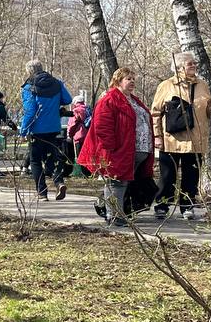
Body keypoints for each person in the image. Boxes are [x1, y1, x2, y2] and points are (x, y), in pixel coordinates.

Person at [77, 68, 155, 227]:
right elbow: (102, 126)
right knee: (117, 182)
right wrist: (112, 148)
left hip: (138, 149)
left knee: (125, 182)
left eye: (133, 78)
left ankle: (113, 208)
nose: (132, 81)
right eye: (128, 78)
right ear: (118, 80)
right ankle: (114, 216)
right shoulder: (110, 99)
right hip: (119, 150)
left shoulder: (133, 99)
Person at [150, 52, 211, 220]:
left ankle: (187, 206)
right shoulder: (166, 85)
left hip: (196, 140)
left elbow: (208, 111)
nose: (194, 66)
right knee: (167, 175)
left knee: (191, 176)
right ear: (179, 67)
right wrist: (157, 136)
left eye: (194, 63)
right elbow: (156, 113)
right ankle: (162, 204)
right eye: (189, 63)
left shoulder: (202, 85)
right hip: (172, 139)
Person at [19, 59, 73, 200]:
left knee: (35, 160)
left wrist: (23, 131)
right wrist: (54, 102)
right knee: (51, 158)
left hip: (37, 130)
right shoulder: (56, 83)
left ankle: (42, 193)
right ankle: (59, 182)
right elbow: (67, 99)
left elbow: (30, 111)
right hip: (54, 127)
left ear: (29, 71)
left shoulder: (29, 87)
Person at [66, 93, 91, 170]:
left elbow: (72, 124)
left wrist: (69, 134)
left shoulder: (76, 111)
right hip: (88, 135)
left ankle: (83, 172)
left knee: (80, 155)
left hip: (79, 136)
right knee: (87, 154)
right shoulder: (88, 110)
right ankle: (89, 171)